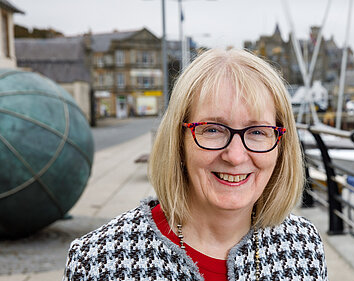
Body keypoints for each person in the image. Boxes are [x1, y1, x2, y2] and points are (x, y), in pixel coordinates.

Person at [64, 48, 328, 280]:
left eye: (257, 132)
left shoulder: (303, 245)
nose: (235, 156)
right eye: (212, 130)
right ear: (179, 141)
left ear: (281, 145)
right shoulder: (99, 262)